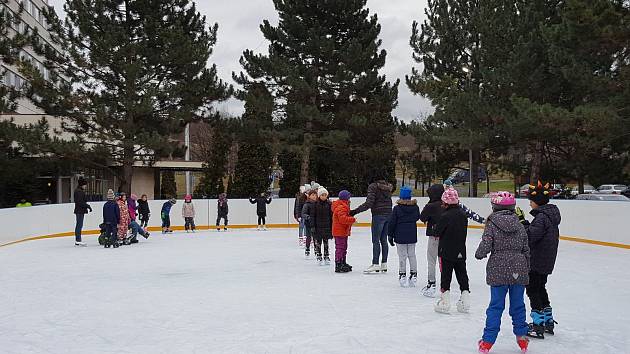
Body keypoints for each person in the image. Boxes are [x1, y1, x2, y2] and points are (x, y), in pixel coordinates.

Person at [475, 192, 530, 353]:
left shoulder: (491, 224)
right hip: (519, 270)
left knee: (496, 307)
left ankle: (487, 342)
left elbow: (486, 244)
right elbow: (526, 249)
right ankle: (522, 339)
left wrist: (479, 254)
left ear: (494, 207)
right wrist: (526, 268)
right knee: (518, 306)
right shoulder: (520, 225)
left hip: (498, 269)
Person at [516, 181, 561, 339]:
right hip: (546, 260)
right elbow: (536, 233)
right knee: (541, 288)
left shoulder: (542, 217)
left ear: (537, 202)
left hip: (536, 260)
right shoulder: (549, 216)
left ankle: (538, 325)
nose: (529, 203)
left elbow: (530, 237)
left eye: (531, 201)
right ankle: (547, 320)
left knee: (533, 290)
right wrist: (526, 223)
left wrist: (521, 222)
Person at [434, 188, 471, 314]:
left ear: (445, 202)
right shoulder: (463, 215)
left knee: (446, 276)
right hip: (461, 250)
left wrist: (435, 226)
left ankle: (445, 302)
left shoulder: (445, 216)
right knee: (462, 274)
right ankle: (465, 300)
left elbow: (437, 232)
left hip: (446, 251)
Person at [350, 176, 393, 274]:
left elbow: (369, 203)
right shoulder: (387, 186)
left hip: (378, 215)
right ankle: (384, 264)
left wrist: (354, 211)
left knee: (376, 240)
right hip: (388, 214)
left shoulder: (373, 186)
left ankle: (375, 264)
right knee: (383, 240)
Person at [387, 186, 421, 288]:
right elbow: (417, 217)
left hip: (400, 235)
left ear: (401, 196)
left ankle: (402, 275)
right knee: (412, 255)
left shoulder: (397, 208)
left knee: (402, 256)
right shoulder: (415, 207)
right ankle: (414, 274)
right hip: (411, 235)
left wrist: (390, 235)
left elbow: (392, 223)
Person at [419, 184, 445, 297]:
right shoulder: (447, 204)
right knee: (444, 261)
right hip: (446, 237)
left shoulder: (431, 206)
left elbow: (422, 218)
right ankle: (445, 285)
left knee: (431, 260)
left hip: (434, 237)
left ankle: (431, 283)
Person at [332, 190, 357, 273]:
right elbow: (342, 219)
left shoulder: (344, 205)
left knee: (344, 247)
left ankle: (343, 262)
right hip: (339, 231)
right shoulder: (341, 207)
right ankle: (338, 264)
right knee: (340, 248)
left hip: (343, 231)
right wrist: (352, 219)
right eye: (349, 197)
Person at [313, 186, 333, 265]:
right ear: (319, 195)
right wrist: (313, 226)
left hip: (327, 226)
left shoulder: (329, 204)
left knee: (326, 242)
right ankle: (319, 255)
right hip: (318, 226)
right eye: (322, 195)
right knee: (318, 242)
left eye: (325, 195)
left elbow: (331, 216)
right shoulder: (315, 204)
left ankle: (326, 255)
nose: (324, 196)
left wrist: (332, 225)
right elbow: (312, 216)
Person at [73, 177, 92, 247]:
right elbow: (80, 202)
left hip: (80, 210)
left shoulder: (79, 191)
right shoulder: (79, 191)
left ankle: (78, 240)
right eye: (85, 185)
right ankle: (78, 240)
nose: (85, 186)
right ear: (82, 185)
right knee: (79, 225)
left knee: (79, 225)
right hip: (79, 211)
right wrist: (88, 206)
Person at [301, 189, 318, 257]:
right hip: (309, 223)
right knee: (309, 237)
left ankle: (316, 249)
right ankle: (307, 248)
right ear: (309, 196)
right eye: (312, 195)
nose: (314, 196)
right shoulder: (307, 204)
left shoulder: (318, 203)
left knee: (315, 237)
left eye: (315, 195)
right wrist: (308, 217)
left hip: (316, 223)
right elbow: (303, 214)